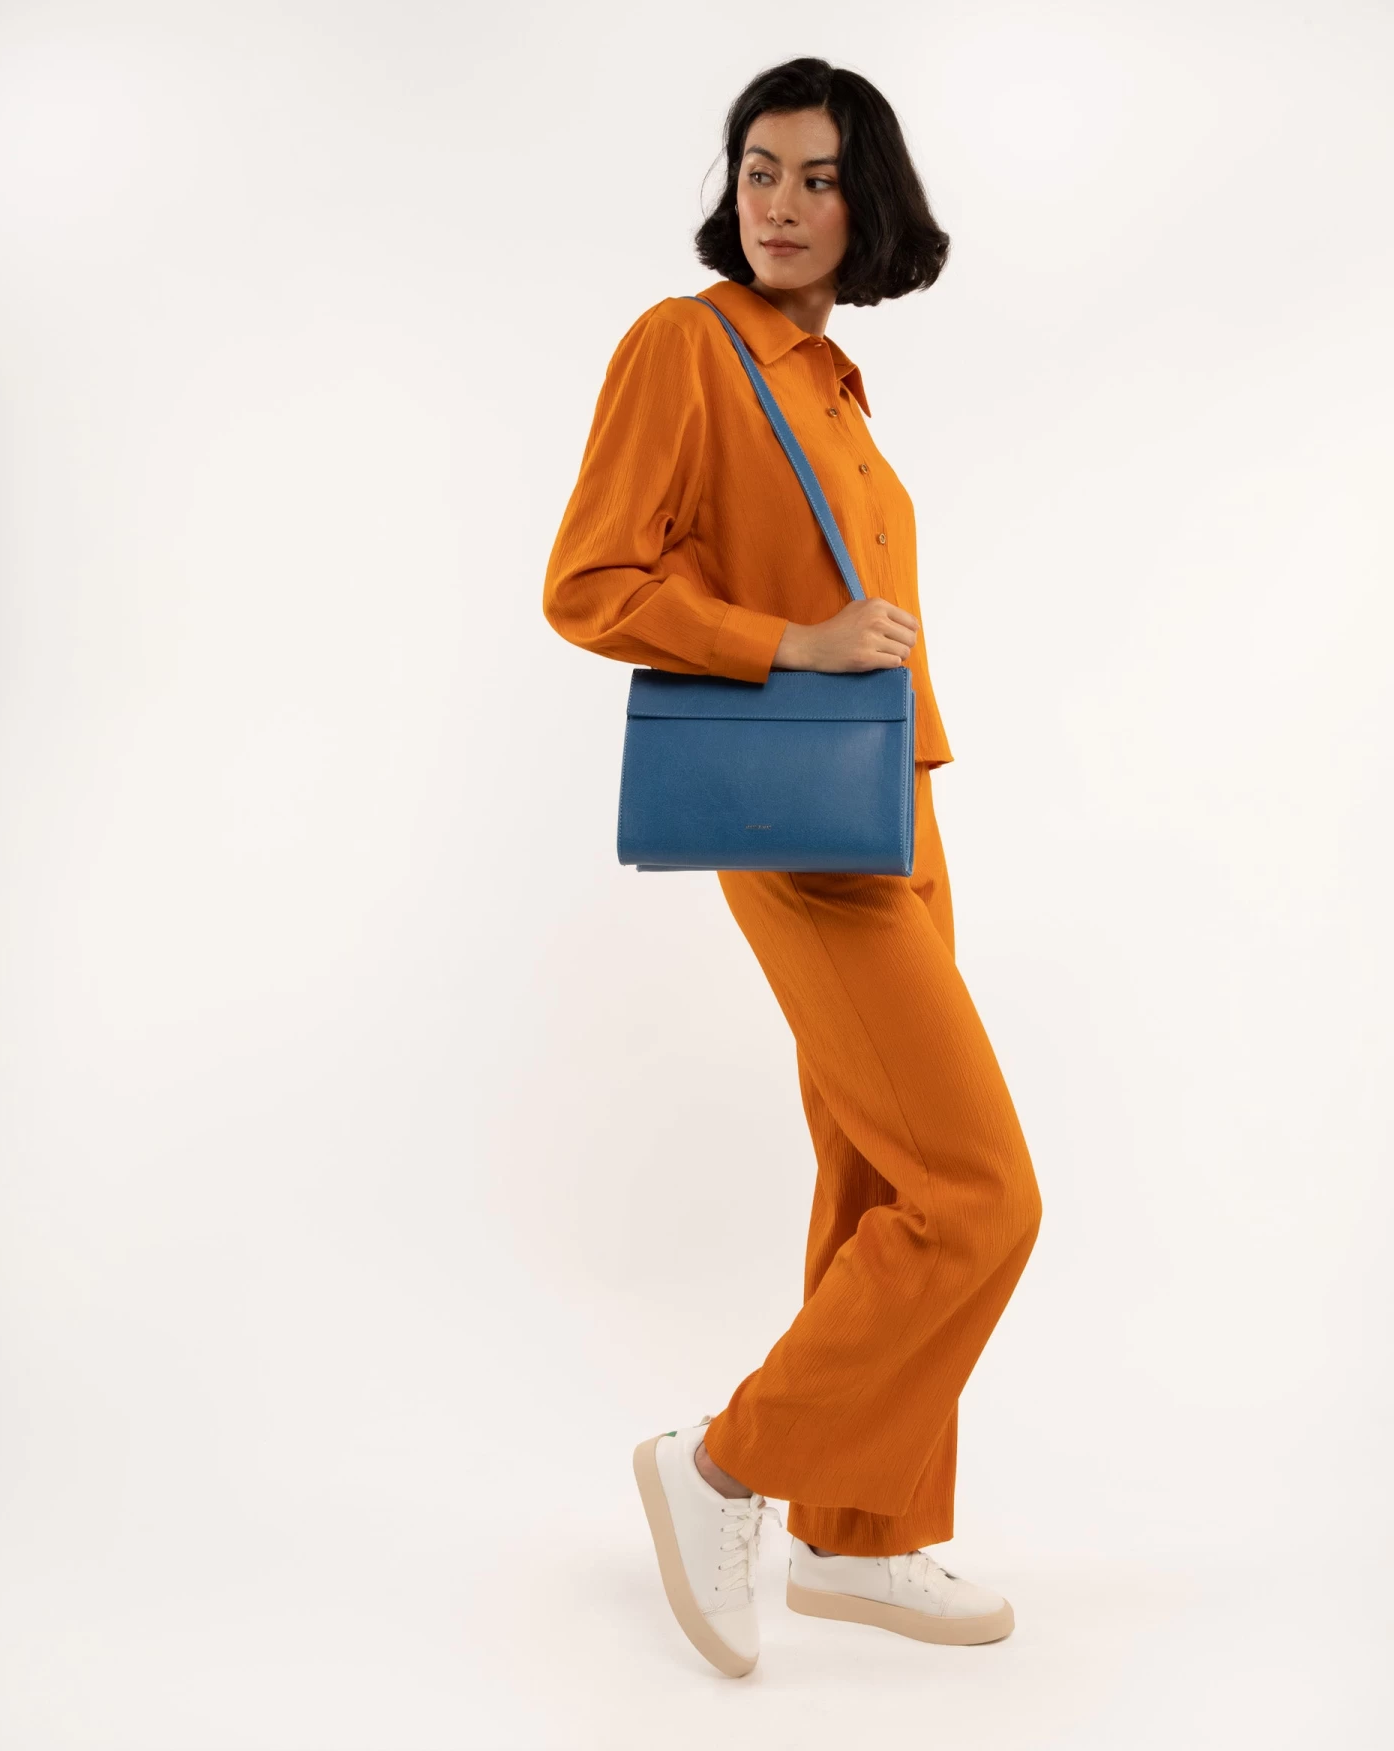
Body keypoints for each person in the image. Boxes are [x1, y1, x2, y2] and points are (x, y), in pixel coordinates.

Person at [542, 56, 1043, 1679]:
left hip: (898, 808)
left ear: (865, 199)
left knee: (888, 1177)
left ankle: (862, 1532)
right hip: (803, 827)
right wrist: (790, 641)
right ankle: (721, 1466)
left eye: (818, 177)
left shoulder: (831, 384)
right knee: (982, 1193)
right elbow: (592, 579)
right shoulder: (685, 347)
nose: (779, 202)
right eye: (760, 169)